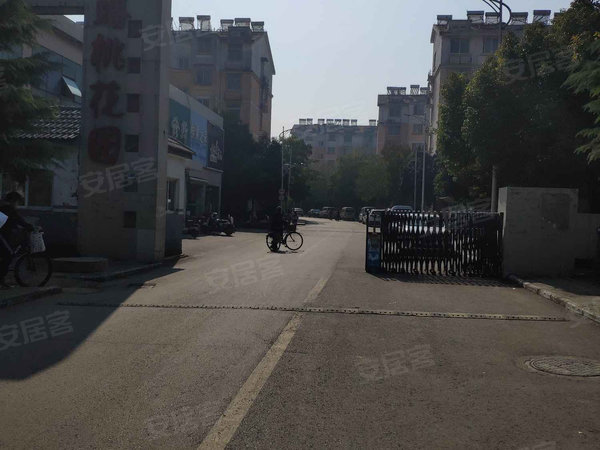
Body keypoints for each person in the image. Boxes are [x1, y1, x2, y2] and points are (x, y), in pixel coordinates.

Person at [0, 192, 34, 288]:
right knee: (9, 255)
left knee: (5, 254)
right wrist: (29, 227)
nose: (17, 204)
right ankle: (1, 280)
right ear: (13, 201)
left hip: (3, 234)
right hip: (1, 236)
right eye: (17, 202)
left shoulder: (4, 208)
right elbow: (19, 220)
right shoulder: (8, 209)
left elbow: (12, 222)